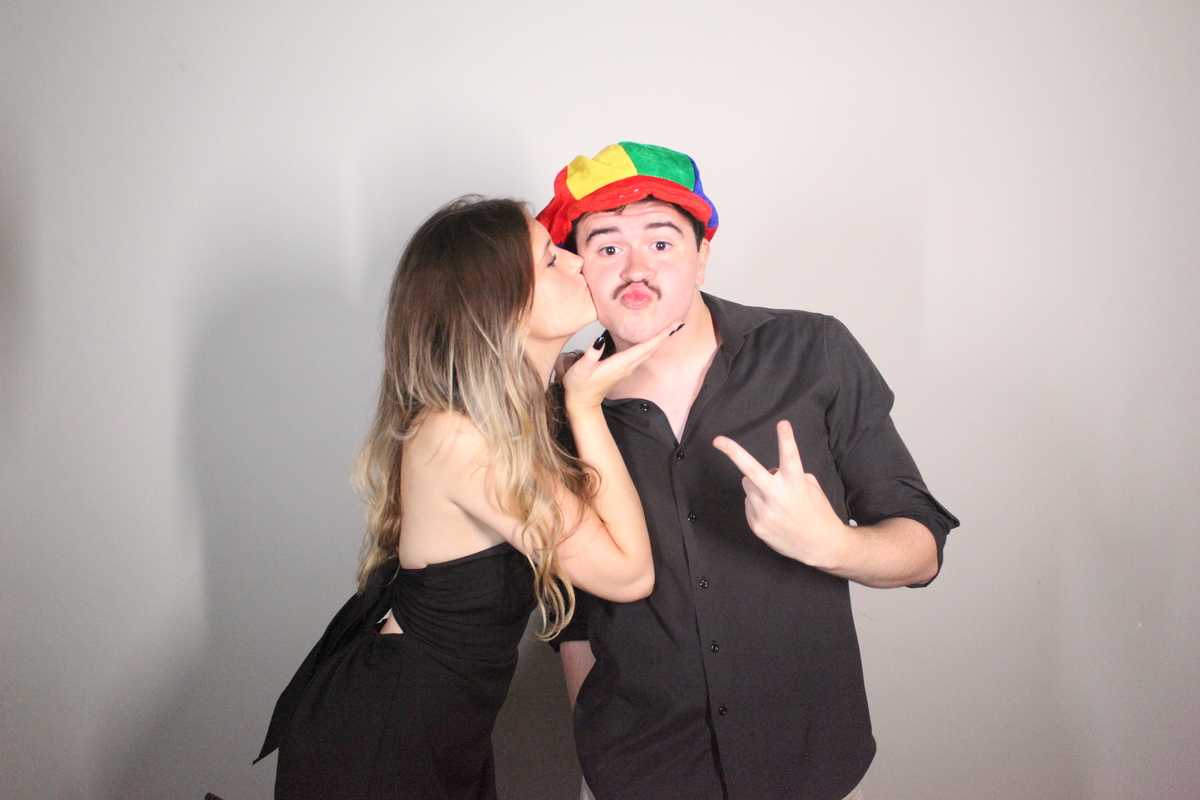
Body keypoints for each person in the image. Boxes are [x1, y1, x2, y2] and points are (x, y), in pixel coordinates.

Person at [536, 142, 960, 800]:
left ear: (703, 254)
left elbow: (921, 547)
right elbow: (573, 612)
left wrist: (835, 545)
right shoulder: (556, 411)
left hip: (807, 763)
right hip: (641, 772)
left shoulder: (813, 352)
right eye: (607, 246)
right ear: (576, 267)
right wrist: (603, 753)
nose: (636, 268)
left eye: (661, 241)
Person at [256, 196, 681, 800]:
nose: (577, 260)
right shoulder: (460, 437)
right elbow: (629, 573)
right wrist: (585, 406)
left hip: (443, 731)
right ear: (502, 304)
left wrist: (574, 397)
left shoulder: (512, 416)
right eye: (550, 258)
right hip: (385, 739)